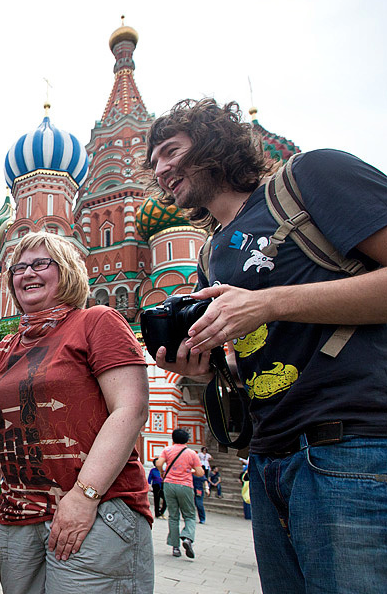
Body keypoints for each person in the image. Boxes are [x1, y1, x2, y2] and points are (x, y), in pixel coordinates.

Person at [145, 98, 387, 592]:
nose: (162, 169)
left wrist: (269, 302)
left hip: (353, 445)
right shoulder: (211, 254)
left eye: (171, 151)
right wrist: (208, 370)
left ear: (216, 140)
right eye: (154, 163)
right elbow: (255, 350)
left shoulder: (311, 177)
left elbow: (269, 310)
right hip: (270, 458)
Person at [0, 232, 154, 593]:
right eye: (19, 268)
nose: (27, 273)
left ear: (68, 271)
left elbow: (130, 409)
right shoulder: (5, 348)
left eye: (41, 264)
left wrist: (84, 496)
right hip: (18, 520)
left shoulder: (96, 321)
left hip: (95, 511)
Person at [156, 428, 204, 559]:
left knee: (173, 516)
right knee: (189, 515)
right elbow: (200, 473)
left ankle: (175, 547)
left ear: (173, 438)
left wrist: (162, 472)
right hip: (185, 485)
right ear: (187, 440)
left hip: (169, 484)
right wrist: (190, 471)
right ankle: (187, 538)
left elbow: (159, 463)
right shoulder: (191, 453)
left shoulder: (168, 450)